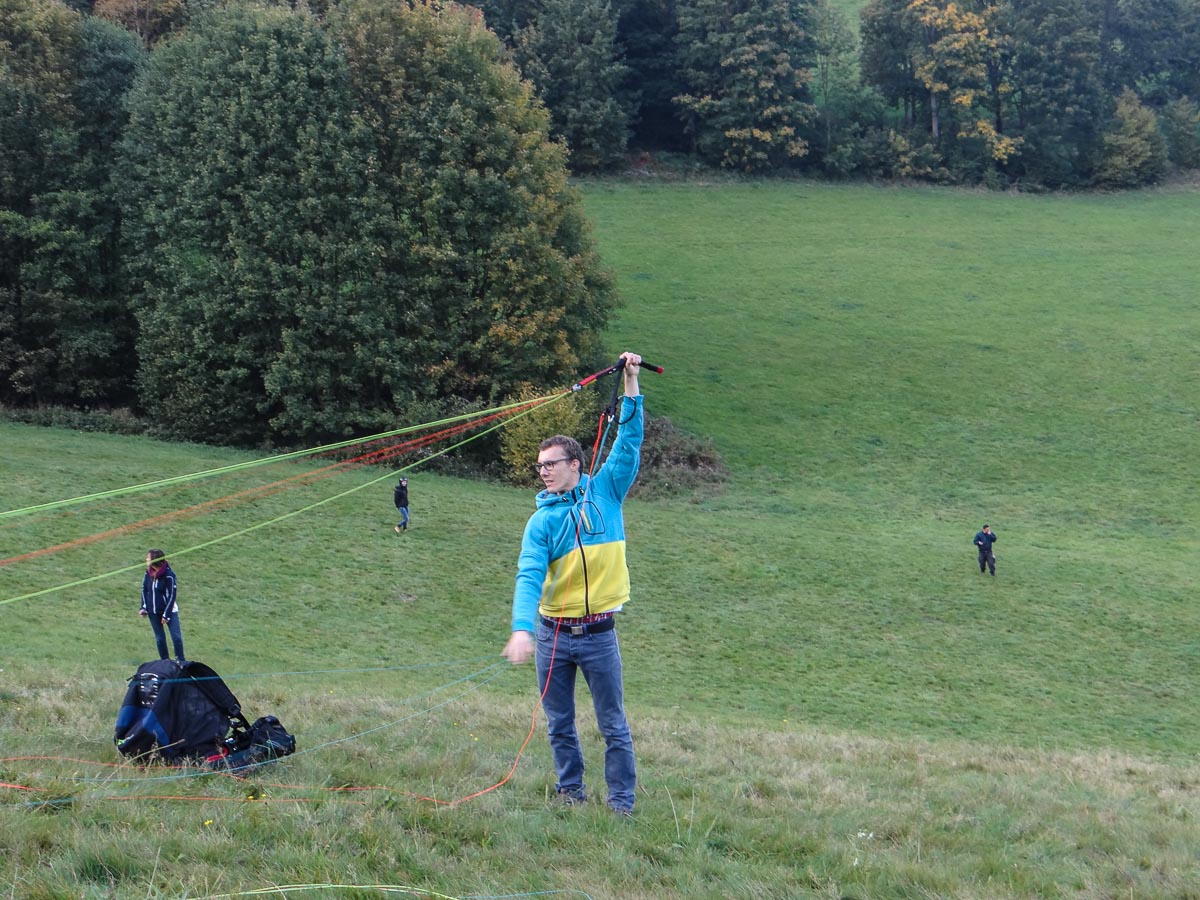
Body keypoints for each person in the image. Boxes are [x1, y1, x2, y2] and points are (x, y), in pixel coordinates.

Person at [503, 351, 644, 817]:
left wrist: (631, 382)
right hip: (553, 635)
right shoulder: (540, 523)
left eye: (551, 463)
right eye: (539, 465)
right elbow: (528, 575)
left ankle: (621, 804)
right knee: (558, 724)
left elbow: (628, 440)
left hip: (599, 635)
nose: (543, 470)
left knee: (613, 724)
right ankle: (570, 793)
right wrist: (522, 628)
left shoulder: (607, 492)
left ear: (576, 464)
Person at [140, 549, 185, 661]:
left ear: (154, 560)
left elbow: (172, 595)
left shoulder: (169, 575)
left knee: (176, 638)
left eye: (148, 557)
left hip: (169, 611)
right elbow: (145, 590)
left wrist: (167, 614)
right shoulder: (148, 573)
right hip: (153, 612)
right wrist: (144, 607)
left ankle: (180, 661)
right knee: (160, 639)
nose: (146, 559)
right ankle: (165, 661)